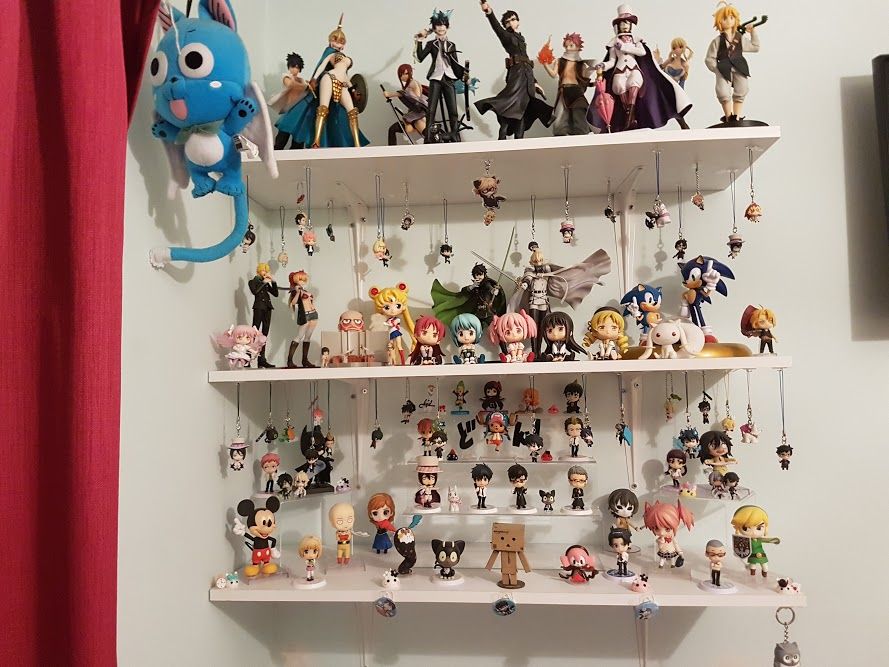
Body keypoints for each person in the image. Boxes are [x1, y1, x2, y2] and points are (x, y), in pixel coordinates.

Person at [476, 3, 552, 139]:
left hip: (526, 78)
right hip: (516, 76)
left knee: (525, 109)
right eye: (507, 21)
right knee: (510, 102)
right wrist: (489, 12)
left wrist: (534, 82)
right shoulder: (506, 36)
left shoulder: (521, 39)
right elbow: (496, 27)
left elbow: (527, 62)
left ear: (518, 21)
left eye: (513, 19)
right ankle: (502, 136)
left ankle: (519, 141)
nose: (511, 22)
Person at [704, 2, 762, 124]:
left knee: (742, 89)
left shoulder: (739, 38)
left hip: (739, 66)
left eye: (731, 17)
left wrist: (753, 32)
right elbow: (709, 58)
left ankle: (737, 117)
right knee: (723, 93)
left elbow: (755, 47)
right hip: (723, 68)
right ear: (719, 22)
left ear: (735, 19)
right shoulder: (717, 41)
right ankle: (728, 117)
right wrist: (717, 69)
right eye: (725, 18)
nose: (729, 20)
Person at [415, 10, 466, 142]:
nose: (441, 28)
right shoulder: (431, 44)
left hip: (449, 78)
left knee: (453, 110)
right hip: (436, 78)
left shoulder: (452, 45)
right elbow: (420, 57)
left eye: (443, 25)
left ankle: (455, 135)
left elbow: (455, 64)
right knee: (431, 109)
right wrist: (419, 40)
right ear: (434, 28)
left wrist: (464, 74)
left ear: (447, 27)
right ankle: (428, 138)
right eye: (438, 25)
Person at [539, 33, 595, 135]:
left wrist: (593, 73)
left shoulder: (581, 64)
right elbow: (553, 74)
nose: (568, 48)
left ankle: (580, 134)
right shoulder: (560, 61)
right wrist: (545, 64)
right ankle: (561, 135)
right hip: (563, 91)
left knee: (579, 113)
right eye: (566, 45)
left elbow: (584, 79)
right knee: (560, 115)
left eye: (571, 45)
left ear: (577, 47)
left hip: (576, 92)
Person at [382, 64, 429, 144]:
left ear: (411, 73)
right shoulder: (410, 84)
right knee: (392, 129)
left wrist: (389, 94)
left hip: (418, 115)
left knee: (428, 136)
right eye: (401, 75)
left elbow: (408, 95)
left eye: (406, 74)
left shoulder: (413, 83)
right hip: (414, 114)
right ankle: (391, 150)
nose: (403, 76)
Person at [270, 53, 309, 149]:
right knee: (282, 136)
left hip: (300, 112)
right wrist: (305, 86)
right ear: (289, 67)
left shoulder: (302, 80)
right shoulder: (286, 77)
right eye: (292, 66)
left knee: (298, 138)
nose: (294, 69)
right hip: (290, 110)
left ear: (300, 69)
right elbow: (290, 84)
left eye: (297, 67)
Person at [248, 263, 278, 368]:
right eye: (263, 270)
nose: (265, 272)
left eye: (266, 270)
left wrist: (273, 282)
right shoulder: (253, 281)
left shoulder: (265, 283)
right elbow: (255, 291)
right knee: (254, 332)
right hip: (258, 308)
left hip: (267, 308)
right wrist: (264, 283)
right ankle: (247, 357)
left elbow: (275, 294)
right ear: (258, 271)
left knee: (265, 334)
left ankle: (262, 359)